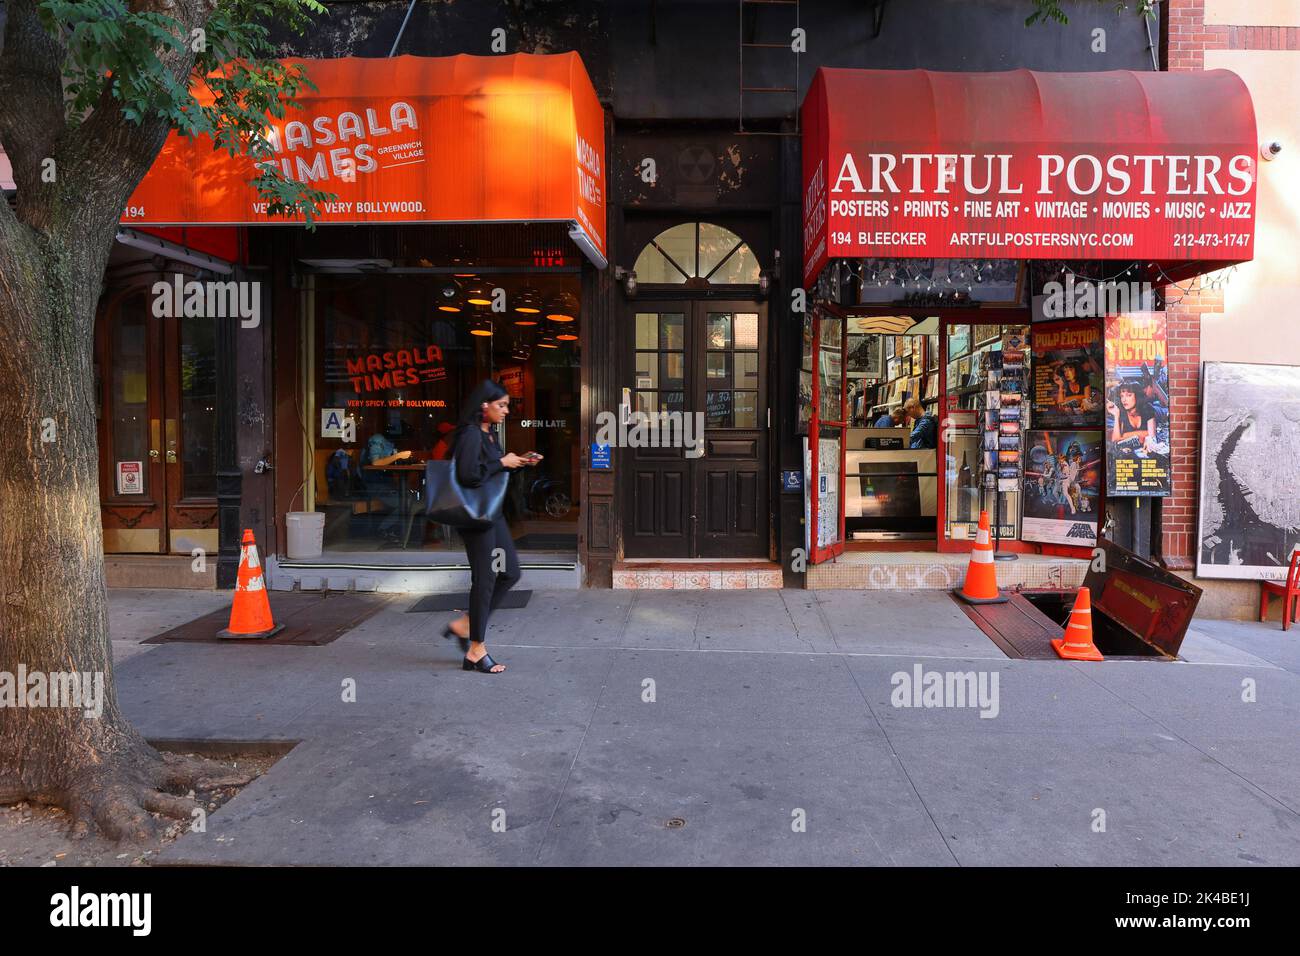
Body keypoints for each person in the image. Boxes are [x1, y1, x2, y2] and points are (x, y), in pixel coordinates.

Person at [442, 380, 539, 674]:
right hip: (476, 517)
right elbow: (469, 475)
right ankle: (476, 650)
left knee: (511, 572)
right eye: (502, 405)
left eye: (507, 405)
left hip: (491, 514)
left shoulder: (488, 434)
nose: (507, 410)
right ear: (484, 406)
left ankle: (465, 624)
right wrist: (502, 462)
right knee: (484, 579)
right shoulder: (471, 434)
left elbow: (491, 467)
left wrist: (517, 461)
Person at [1107, 382, 1156, 452]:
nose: (1124, 400)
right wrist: (1116, 415)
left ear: (1137, 396)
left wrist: (1125, 435)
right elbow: (1115, 440)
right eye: (1122, 396)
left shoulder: (1148, 409)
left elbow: (1152, 437)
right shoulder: (1121, 411)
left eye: (1129, 395)